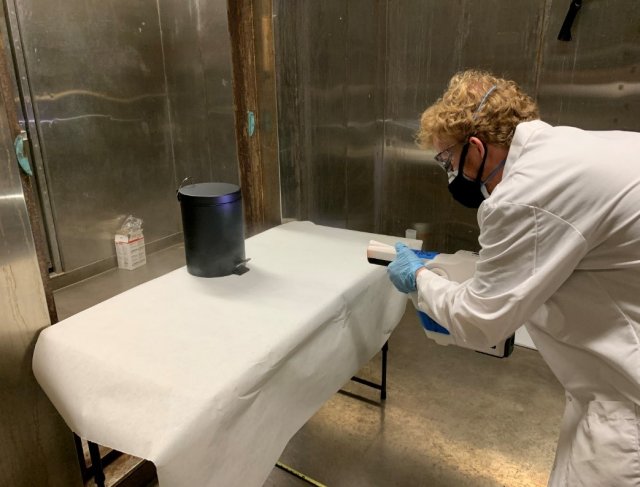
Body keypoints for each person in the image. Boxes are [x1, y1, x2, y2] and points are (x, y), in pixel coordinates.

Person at [387, 69, 640, 486]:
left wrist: (420, 280)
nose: (451, 174)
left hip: (625, 406)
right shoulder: (573, 148)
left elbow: (480, 321)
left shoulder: (524, 195)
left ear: (475, 147)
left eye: (448, 162)